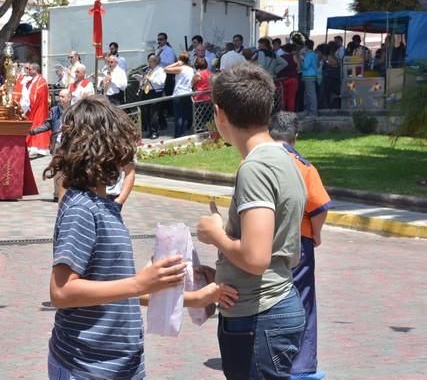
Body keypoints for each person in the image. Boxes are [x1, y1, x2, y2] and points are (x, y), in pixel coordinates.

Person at [43, 95, 188, 380]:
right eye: (122, 141)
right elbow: (61, 292)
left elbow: (116, 285)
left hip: (122, 363)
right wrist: (138, 283)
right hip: (87, 366)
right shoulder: (82, 209)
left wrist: (175, 288)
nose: (128, 151)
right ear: (102, 145)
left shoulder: (105, 205)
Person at [196, 63, 306, 380]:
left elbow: (256, 259)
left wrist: (215, 234)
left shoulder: (255, 167)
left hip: (260, 315)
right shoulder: (283, 156)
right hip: (268, 308)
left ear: (219, 114)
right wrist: (219, 270)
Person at [269, 111, 331, 380]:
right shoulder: (303, 166)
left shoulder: (256, 161)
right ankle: (301, 364)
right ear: (296, 136)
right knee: (302, 300)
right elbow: (319, 206)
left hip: (264, 241)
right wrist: (316, 234)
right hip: (298, 242)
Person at [30, 89, 71, 202]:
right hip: (57, 144)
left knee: (68, 170)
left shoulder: (75, 111)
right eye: (60, 96)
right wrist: (33, 131)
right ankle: (57, 194)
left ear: (69, 98)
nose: (60, 99)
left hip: (70, 144)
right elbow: (47, 125)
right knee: (57, 169)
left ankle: (68, 193)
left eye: (63, 97)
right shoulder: (54, 110)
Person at [164, 52, 194, 138]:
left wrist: (177, 63)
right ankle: (183, 132)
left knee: (178, 116)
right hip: (188, 93)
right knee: (184, 115)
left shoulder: (180, 68)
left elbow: (166, 69)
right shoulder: (190, 69)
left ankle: (178, 134)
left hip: (179, 93)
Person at [25, 63, 51, 157]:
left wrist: (31, 103)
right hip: (32, 107)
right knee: (33, 125)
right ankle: (32, 146)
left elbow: (39, 95)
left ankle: (40, 148)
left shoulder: (42, 81)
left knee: (39, 125)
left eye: (30, 69)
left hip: (40, 107)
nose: (28, 71)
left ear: (35, 70)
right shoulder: (32, 80)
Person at [138, 53, 167, 139]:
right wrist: (141, 79)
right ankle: (150, 131)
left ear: (156, 61)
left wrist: (149, 78)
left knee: (154, 113)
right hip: (147, 92)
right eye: (149, 61)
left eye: (151, 61)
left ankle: (155, 132)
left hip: (155, 92)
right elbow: (146, 80)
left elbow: (160, 82)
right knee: (146, 112)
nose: (149, 63)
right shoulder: (149, 70)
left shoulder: (160, 70)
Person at [277, 43, 300, 112]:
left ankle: (283, 114)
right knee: (291, 98)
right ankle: (290, 115)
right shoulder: (294, 57)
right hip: (293, 79)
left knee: (283, 98)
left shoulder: (280, 57)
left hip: (282, 79)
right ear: (292, 50)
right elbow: (298, 68)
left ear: (284, 49)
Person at [192, 57, 213, 132]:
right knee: (209, 116)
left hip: (199, 98)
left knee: (199, 116)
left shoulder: (198, 74)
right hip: (209, 97)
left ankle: (200, 130)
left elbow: (192, 84)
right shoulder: (210, 73)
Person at [156, 32, 177, 97]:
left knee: (168, 93)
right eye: (158, 39)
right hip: (159, 73)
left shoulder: (169, 50)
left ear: (165, 40)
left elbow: (171, 62)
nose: (159, 41)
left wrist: (160, 61)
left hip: (168, 74)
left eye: (161, 39)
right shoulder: (157, 50)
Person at [301, 40, 319, 116]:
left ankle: (313, 112)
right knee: (309, 94)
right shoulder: (314, 54)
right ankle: (309, 110)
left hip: (308, 76)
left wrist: (302, 60)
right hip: (313, 75)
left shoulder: (308, 55)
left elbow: (305, 66)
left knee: (310, 95)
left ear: (306, 46)